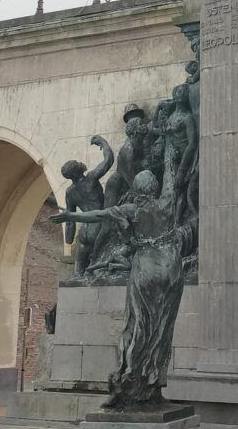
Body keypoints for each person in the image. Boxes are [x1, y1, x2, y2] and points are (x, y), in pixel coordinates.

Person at [51, 167, 185, 409]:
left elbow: (97, 215)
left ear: (136, 189)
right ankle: (152, 385)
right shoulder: (166, 203)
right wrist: (168, 151)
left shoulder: (130, 210)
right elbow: (171, 179)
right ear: (153, 188)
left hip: (145, 267)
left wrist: (71, 217)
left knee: (136, 326)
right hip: (170, 268)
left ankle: (130, 383)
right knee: (162, 329)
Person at [60, 136, 115, 277]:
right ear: (78, 171)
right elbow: (109, 160)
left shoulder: (69, 192)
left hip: (84, 231)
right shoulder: (91, 178)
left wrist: (68, 241)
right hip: (99, 224)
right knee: (97, 267)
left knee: (79, 273)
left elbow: (70, 221)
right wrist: (103, 142)